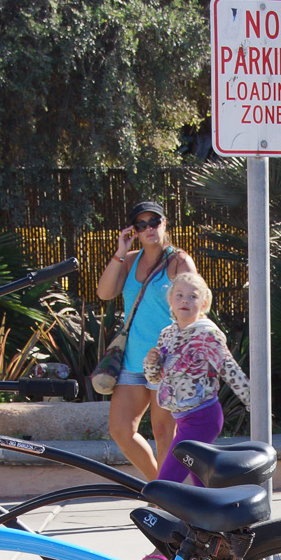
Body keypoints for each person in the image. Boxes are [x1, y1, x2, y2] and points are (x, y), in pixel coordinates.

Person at [139, 273, 248, 560]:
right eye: (179, 295)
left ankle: (162, 549)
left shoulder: (206, 334)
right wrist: (150, 364)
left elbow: (229, 369)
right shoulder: (167, 333)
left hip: (202, 418)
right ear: (170, 302)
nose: (185, 301)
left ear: (204, 302)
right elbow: (156, 378)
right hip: (183, 419)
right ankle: (220, 546)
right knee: (201, 491)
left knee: (165, 486)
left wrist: (255, 402)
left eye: (193, 296)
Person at [95, 200, 197, 480]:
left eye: (154, 222)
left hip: (167, 359)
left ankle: (167, 494)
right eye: (141, 225)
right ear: (134, 230)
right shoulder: (129, 260)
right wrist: (120, 251)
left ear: (165, 223)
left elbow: (196, 306)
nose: (149, 228)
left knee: (164, 433)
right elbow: (104, 293)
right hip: (132, 359)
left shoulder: (178, 261)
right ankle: (160, 488)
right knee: (121, 430)